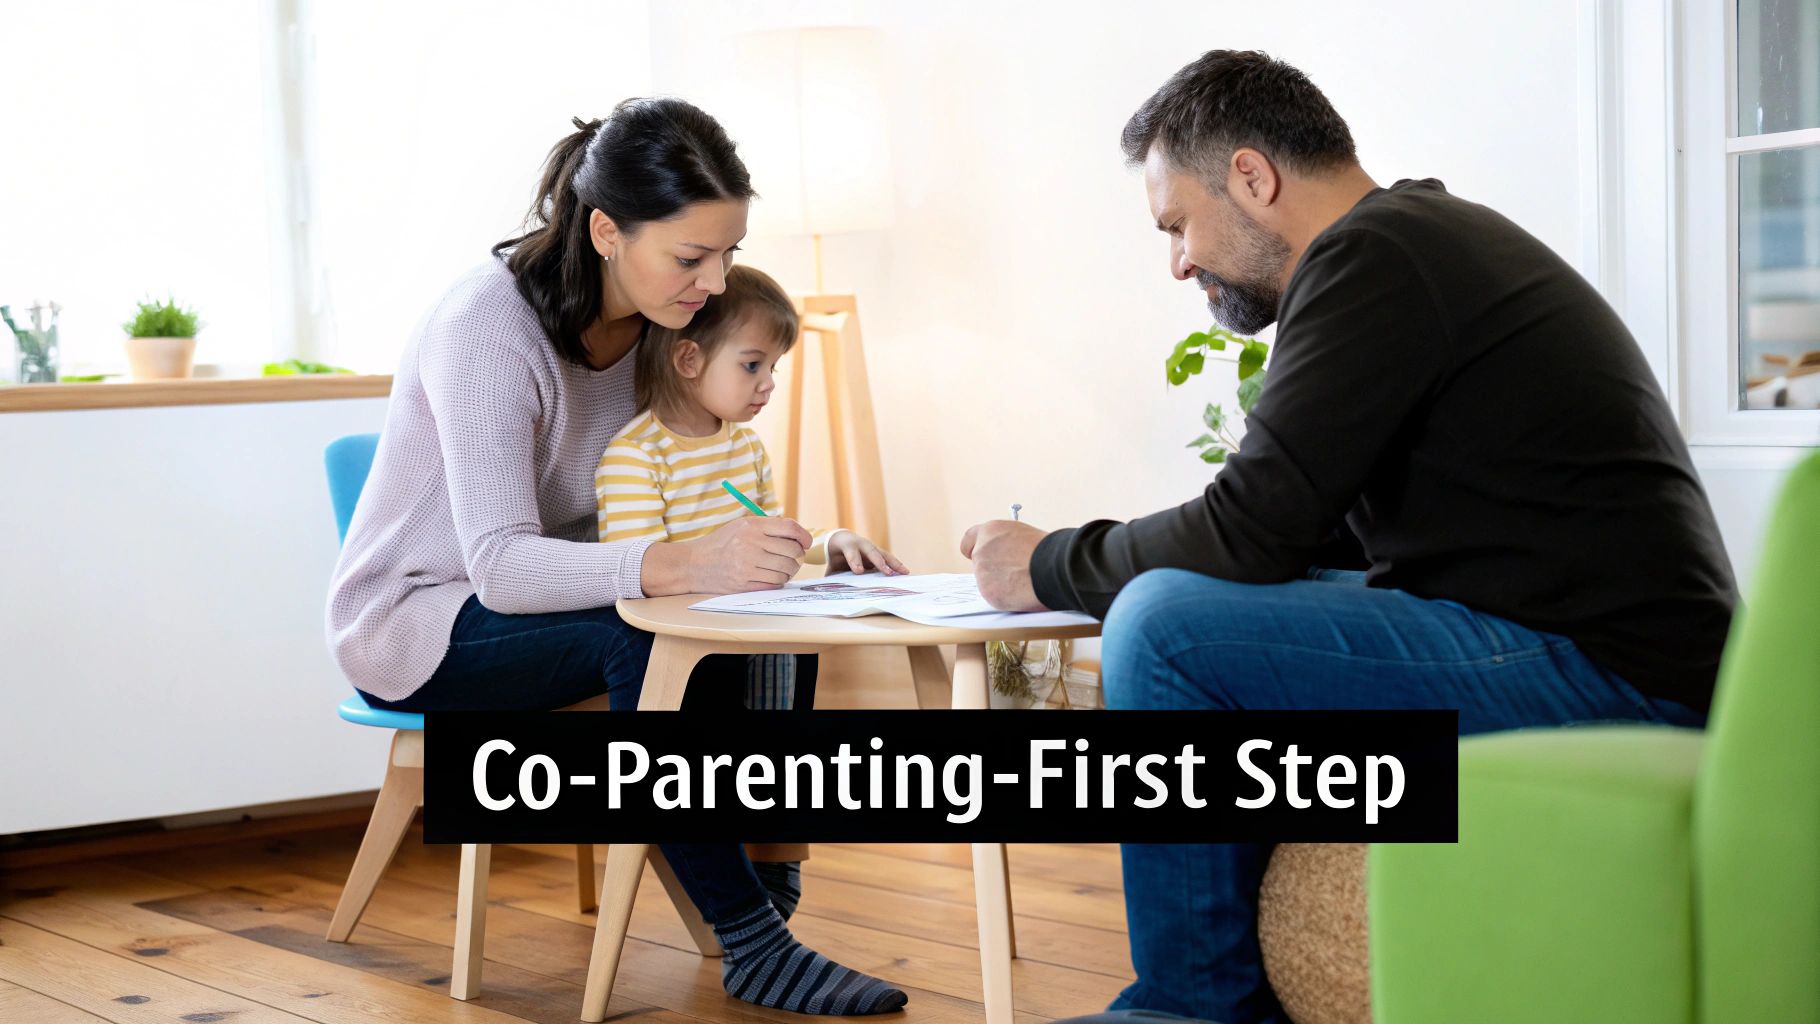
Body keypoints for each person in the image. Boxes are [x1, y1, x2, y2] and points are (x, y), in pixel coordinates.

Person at [964, 51, 1737, 1024]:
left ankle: (1190, 1008)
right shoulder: (1409, 245)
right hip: (1578, 648)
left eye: (1177, 225)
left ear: (1252, 177)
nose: (1178, 263)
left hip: (1611, 677)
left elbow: (1247, 530)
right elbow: (1294, 537)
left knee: (1162, 628)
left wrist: (1044, 562)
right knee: (1187, 609)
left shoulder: (1376, 256)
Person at [326, 98, 906, 1016]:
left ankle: (766, 880)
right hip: (421, 620)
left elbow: (702, 496)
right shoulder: (485, 328)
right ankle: (753, 941)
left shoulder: (664, 324)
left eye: (729, 253)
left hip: (563, 598)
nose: (715, 282)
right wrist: (690, 565)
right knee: (640, 638)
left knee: (767, 619)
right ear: (605, 232)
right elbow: (501, 568)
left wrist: (795, 552)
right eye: (690, 257)